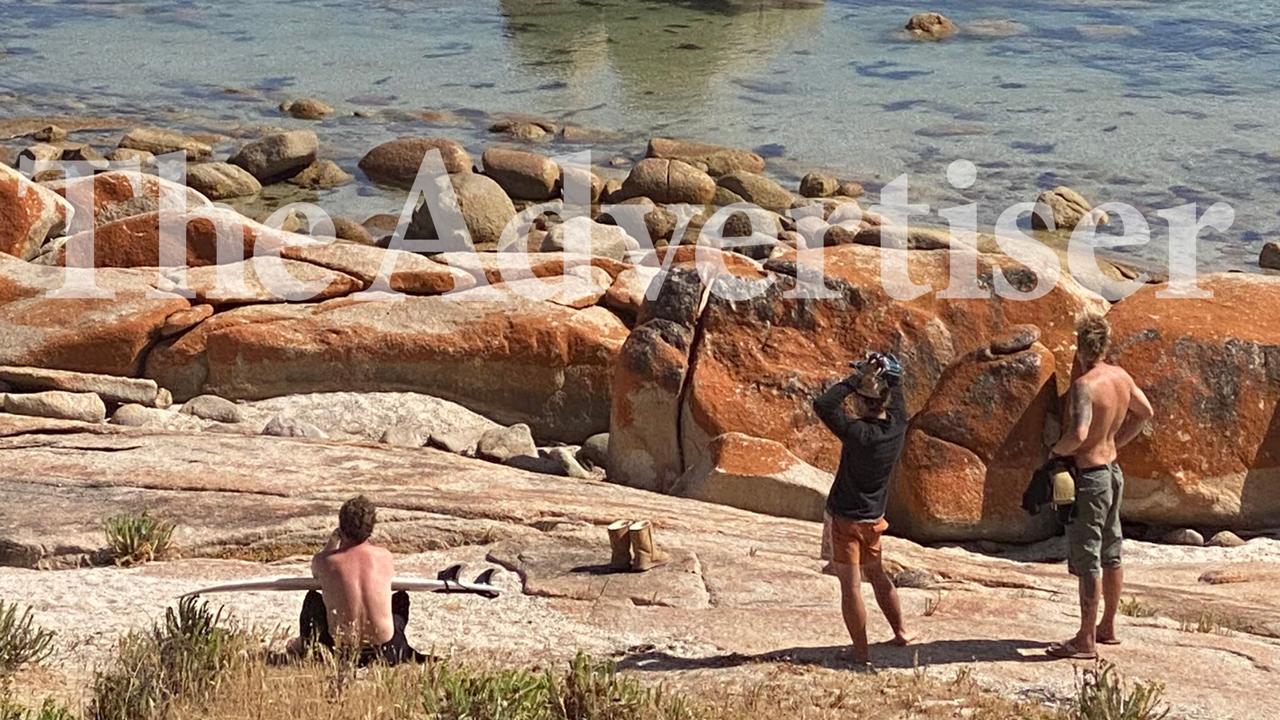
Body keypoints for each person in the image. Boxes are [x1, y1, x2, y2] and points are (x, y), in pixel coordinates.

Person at [1046, 314, 1153, 660]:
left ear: (1079, 346)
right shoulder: (1120, 377)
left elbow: (1078, 434)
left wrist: (1053, 452)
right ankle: (1107, 626)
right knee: (1112, 550)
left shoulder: (1084, 386)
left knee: (1088, 556)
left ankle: (1085, 639)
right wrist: (1116, 441)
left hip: (1090, 478)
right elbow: (1145, 411)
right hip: (1112, 470)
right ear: (1105, 345)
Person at [813, 352, 914, 666]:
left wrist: (855, 379)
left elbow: (824, 405)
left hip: (845, 520)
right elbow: (897, 397)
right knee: (878, 574)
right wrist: (888, 374)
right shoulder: (897, 429)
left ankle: (860, 652)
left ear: (860, 401)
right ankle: (902, 632)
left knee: (851, 585)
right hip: (874, 520)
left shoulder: (855, 433)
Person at [300, 495, 427, 666]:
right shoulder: (384, 556)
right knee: (401, 597)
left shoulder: (325, 561)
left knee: (313, 598)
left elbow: (316, 573)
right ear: (371, 528)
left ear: (341, 526)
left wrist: (333, 542)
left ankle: (307, 647)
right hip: (385, 649)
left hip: (339, 650)